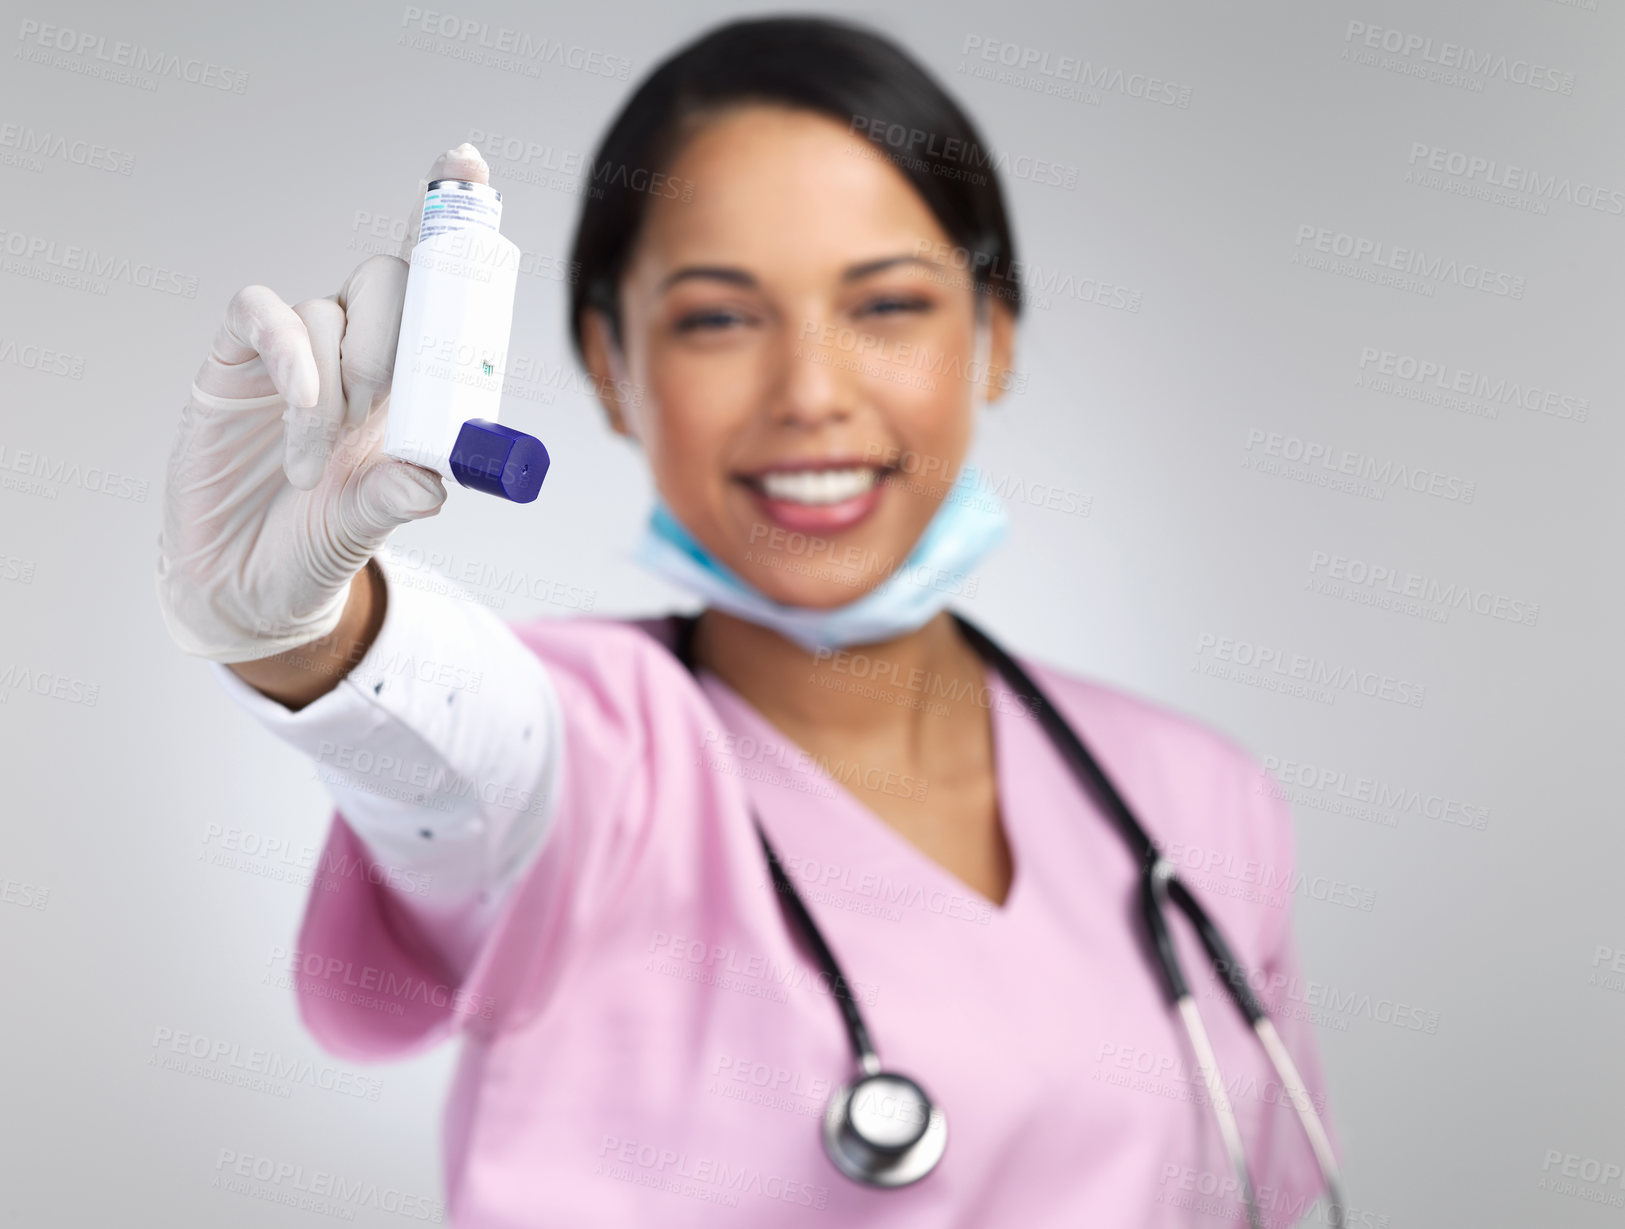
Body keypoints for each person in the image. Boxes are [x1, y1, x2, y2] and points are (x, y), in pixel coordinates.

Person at [155, 16, 1338, 1227]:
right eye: (718, 318)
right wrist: (299, 628)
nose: (811, 394)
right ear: (610, 365)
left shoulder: (1199, 799)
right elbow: (455, 742)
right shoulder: (598, 743)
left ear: (992, 340)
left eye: (886, 305)